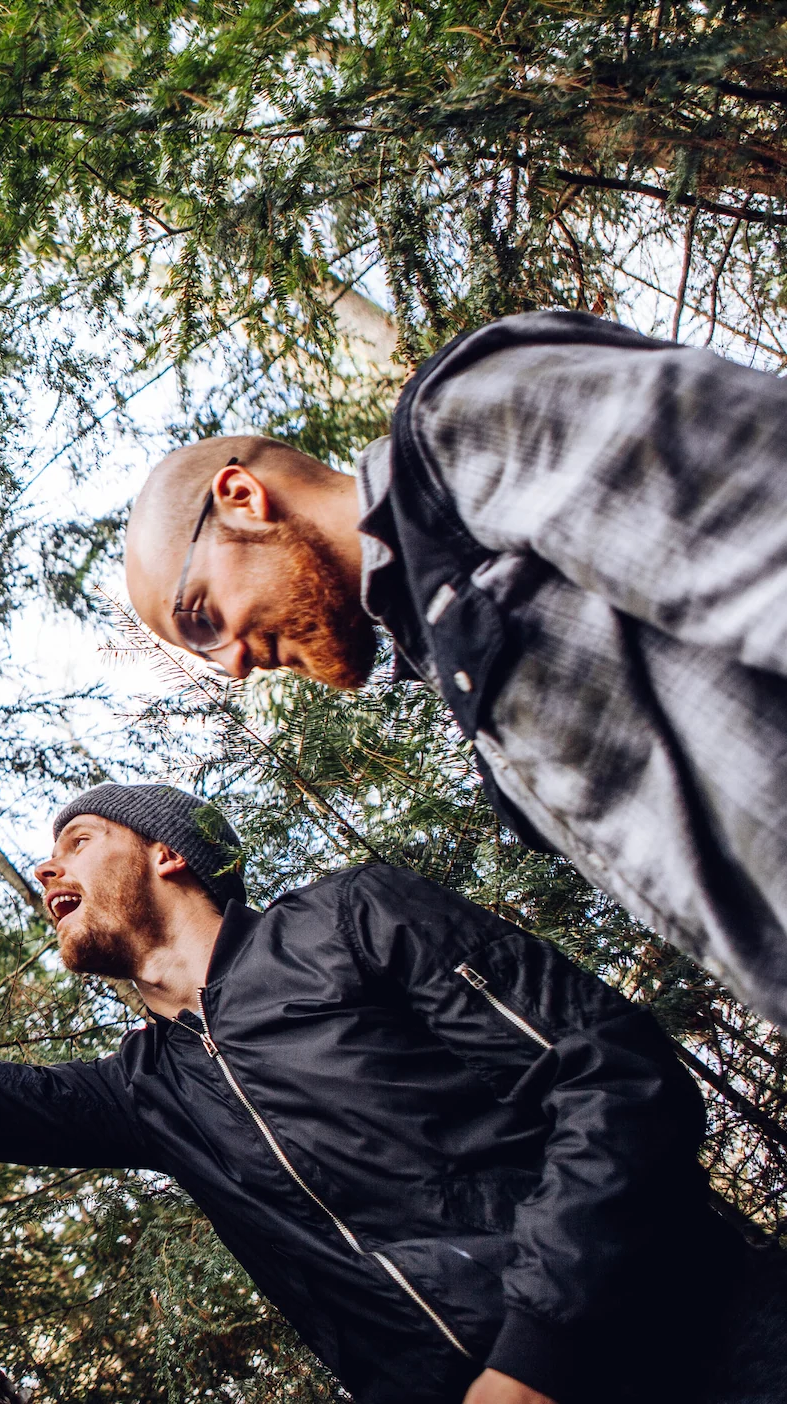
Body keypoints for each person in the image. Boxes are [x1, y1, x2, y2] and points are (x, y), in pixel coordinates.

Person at [0, 787, 787, 1404]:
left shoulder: (348, 923)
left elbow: (610, 1075)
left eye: (74, 841)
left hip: (706, 1342)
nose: (39, 870)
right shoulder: (147, 1092)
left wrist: (534, 1355)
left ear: (167, 852)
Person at [118, 311, 787, 1026]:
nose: (236, 666)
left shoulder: (461, 425)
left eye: (202, 617)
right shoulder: (445, 652)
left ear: (243, 499)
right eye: (203, 652)